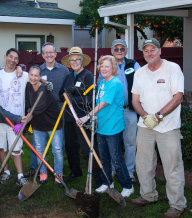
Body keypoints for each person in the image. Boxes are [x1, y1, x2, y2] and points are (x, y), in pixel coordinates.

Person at [130, 38, 187, 218]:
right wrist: (146, 117)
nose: (149, 53)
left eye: (152, 49)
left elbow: (178, 97)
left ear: (160, 51)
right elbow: (135, 100)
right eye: (146, 50)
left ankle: (177, 204)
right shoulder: (140, 73)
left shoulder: (172, 69)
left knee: (172, 166)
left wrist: (158, 116)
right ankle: (148, 195)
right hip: (145, 125)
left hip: (168, 126)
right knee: (143, 163)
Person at [77, 55, 134, 198]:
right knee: (103, 157)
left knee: (116, 158)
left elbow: (103, 104)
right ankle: (107, 182)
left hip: (113, 127)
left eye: (107, 66)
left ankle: (128, 185)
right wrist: (94, 119)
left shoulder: (115, 83)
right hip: (101, 126)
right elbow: (98, 103)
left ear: (113, 68)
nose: (104, 69)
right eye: (102, 66)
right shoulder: (102, 82)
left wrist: (86, 117)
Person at [24, 42, 69, 178]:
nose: (49, 55)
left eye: (51, 52)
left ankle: (58, 172)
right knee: (39, 145)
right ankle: (40, 170)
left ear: (56, 54)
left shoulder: (63, 70)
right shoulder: (37, 71)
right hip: (38, 111)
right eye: (46, 53)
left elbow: (67, 88)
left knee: (58, 145)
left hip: (57, 110)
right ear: (42, 55)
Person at [58, 47, 101, 185]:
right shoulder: (68, 77)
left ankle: (96, 177)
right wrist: (66, 96)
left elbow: (91, 99)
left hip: (83, 118)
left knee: (87, 147)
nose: (75, 62)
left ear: (82, 61)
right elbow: (60, 95)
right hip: (69, 117)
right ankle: (75, 171)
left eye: (77, 59)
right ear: (69, 62)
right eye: (72, 60)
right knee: (70, 146)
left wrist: (74, 98)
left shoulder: (88, 76)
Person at [0, 48, 29, 186]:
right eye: (10, 57)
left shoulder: (23, 75)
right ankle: (6, 172)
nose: (12, 60)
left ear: (18, 62)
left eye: (16, 59)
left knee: (16, 148)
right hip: (0, 118)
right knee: (1, 147)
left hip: (16, 120)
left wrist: (20, 68)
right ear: (5, 57)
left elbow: (35, 77)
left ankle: (20, 175)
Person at [26, 65, 64, 184]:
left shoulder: (44, 90)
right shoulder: (28, 87)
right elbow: (29, 104)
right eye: (31, 75)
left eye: (36, 75)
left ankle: (58, 173)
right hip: (38, 124)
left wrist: (27, 118)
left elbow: (38, 108)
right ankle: (43, 172)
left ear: (40, 77)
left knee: (57, 150)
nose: (33, 77)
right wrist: (28, 115)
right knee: (39, 149)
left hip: (53, 123)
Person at [110, 39, 141, 183]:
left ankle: (129, 172)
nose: (119, 51)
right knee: (113, 142)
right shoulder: (108, 65)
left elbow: (143, 83)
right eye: (116, 49)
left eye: (122, 49)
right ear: (112, 51)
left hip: (130, 110)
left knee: (130, 143)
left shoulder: (134, 65)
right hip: (113, 111)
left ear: (126, 50)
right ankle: (113, 170)